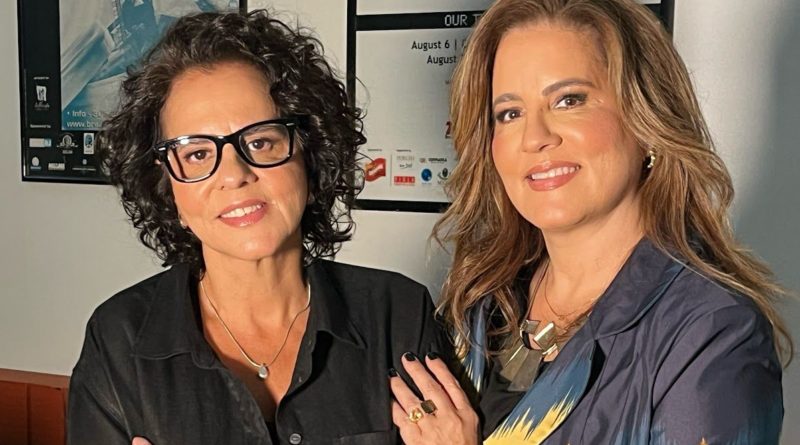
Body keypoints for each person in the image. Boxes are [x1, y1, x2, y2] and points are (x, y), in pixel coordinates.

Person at [388, 0, 791, 444]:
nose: (535, 138)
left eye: (569, 100)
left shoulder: (712, 335)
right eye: (510, 113)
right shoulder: (483, 303)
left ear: (647, 120)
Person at [67, 10, 448, 444]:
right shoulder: (117, 339)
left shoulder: (399, 313)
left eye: (261, 141)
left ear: (310, 156)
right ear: (167, 187)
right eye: (196, 154)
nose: (234, 175)